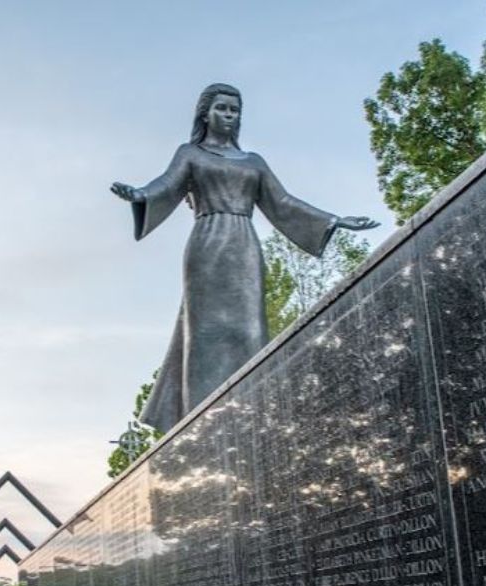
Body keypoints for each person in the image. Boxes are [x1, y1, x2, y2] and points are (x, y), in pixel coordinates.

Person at [112, 83, 378, 434]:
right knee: (204, 333)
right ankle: (199, 421)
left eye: (234, 110)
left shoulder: (254, 162)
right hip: (206, 246)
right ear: (205, 113)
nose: (229, 115)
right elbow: (166, 185)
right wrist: (139, 194)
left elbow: (283, 203)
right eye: (222, 108)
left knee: (249, 331)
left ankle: (252, 418)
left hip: (245, 248)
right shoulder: (190, 154)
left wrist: (334, 220)